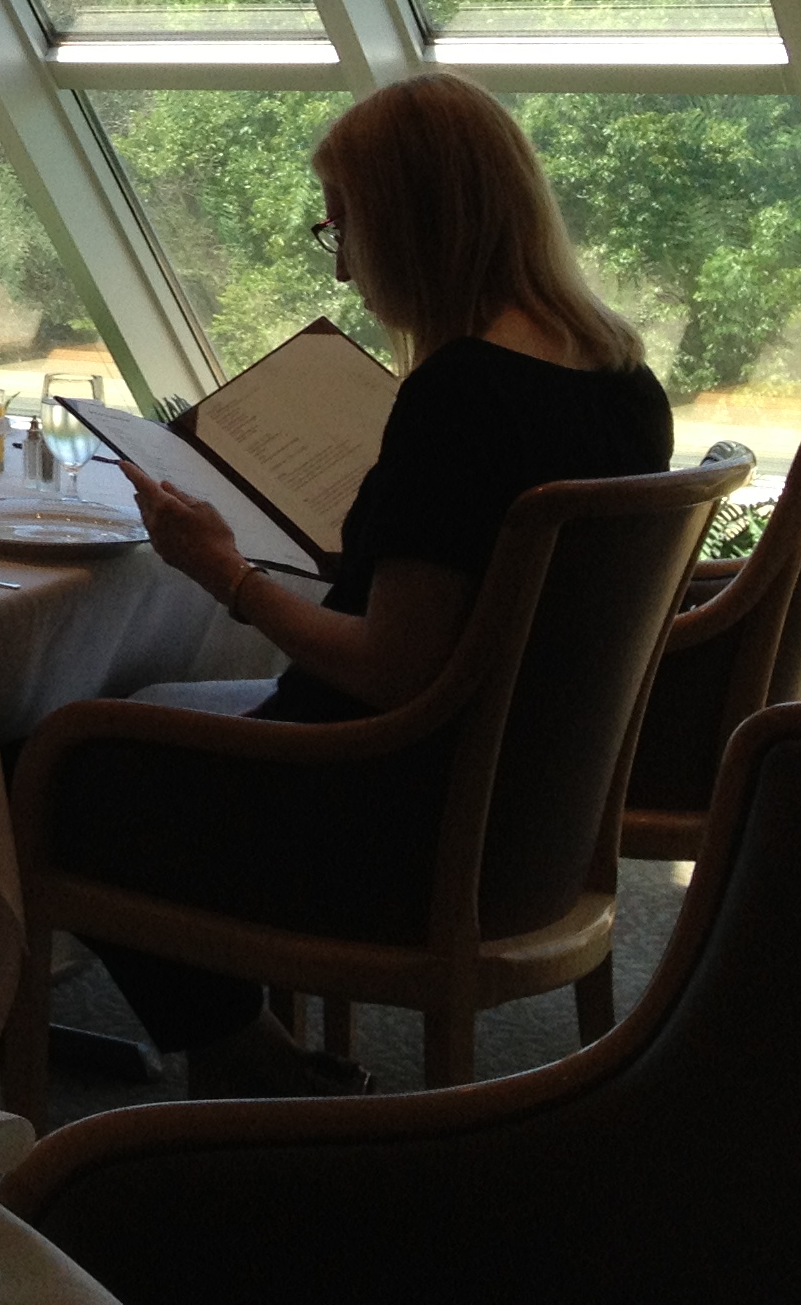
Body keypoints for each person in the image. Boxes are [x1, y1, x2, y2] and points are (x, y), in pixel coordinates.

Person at [78, 71, 672, 1098]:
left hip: (386, 813)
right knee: (116, 729)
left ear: (412, 226)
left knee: (54, 758)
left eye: (345, 228)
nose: (345, 267)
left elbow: (395, 669)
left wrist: (225, 573)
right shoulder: (624, 383)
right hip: (527, 804)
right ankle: (243, 1054)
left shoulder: (458, 397)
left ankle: (234, 1054)